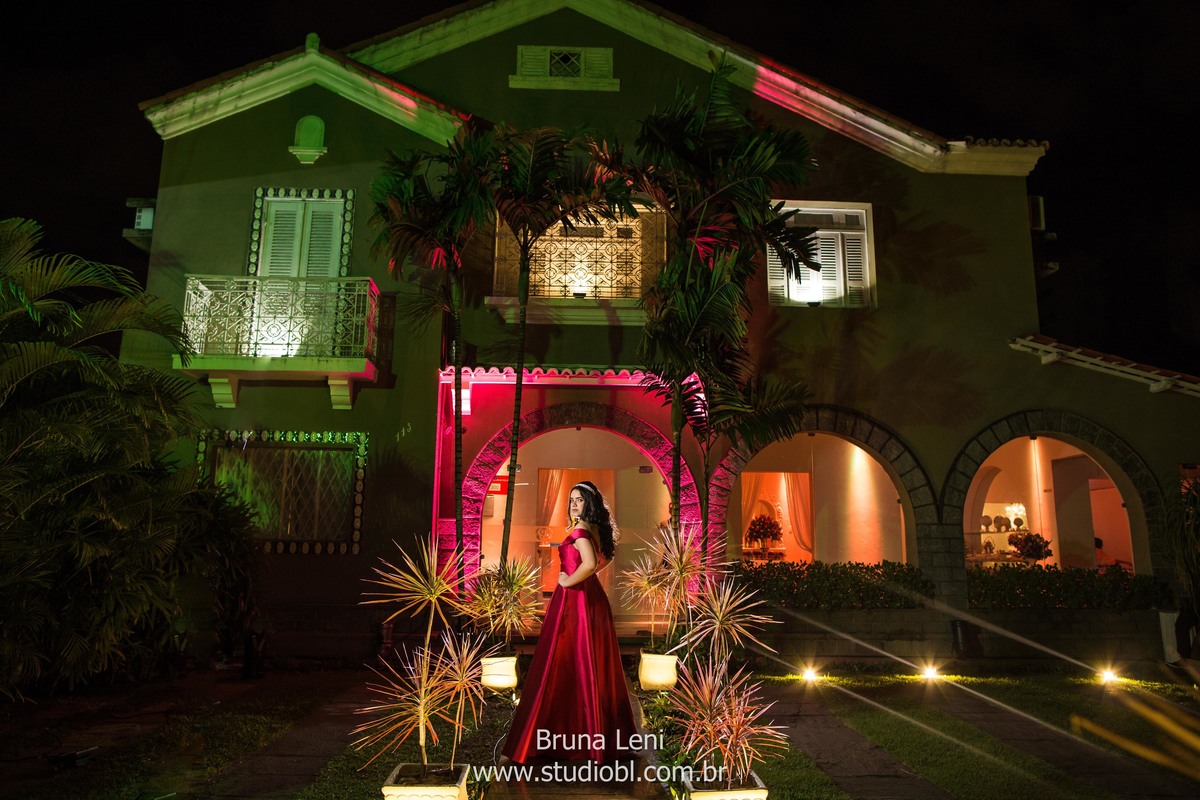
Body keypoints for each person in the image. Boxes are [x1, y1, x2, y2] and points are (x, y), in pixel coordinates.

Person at [501, 481, 637, 764]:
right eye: (572, 500)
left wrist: (567, 581)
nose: (574, 505)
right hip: (590, 598)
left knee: (566, 660)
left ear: (590, 503)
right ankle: (595, 738)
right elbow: (603, 560)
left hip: (576, 600)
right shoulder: (594, 529)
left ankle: (562, 737)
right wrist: (584, 576)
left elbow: (589, 564)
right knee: (587, 661)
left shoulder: (580, 531)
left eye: (579, 500)